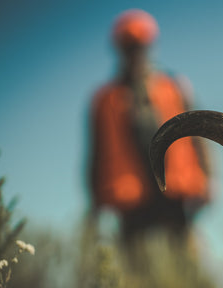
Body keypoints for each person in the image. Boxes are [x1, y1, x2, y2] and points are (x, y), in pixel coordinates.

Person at [87, 9, 211, 246]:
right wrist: (94, 203)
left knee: (185, 262)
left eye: (140, 46)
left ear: (150, 46)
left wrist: (209, 179)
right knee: (135, 269)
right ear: (119, 50)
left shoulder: (175, 88)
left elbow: (199, 138)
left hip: (175, 196)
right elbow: (96, 153)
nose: (135, 53)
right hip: (131, 200)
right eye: (129, 47)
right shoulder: (103, 100)